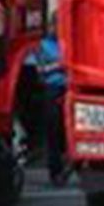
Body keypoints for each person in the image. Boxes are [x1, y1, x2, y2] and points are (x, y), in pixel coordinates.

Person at [34, 15, 70, 187]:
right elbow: (40, 70)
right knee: (53, 132)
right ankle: (55, 171)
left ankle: (70, 166)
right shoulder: (42, 45)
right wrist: (58, 65)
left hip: (69, 89)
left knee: (68, 132)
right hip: (52, 89)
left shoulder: (69, 43)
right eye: (56, 25)